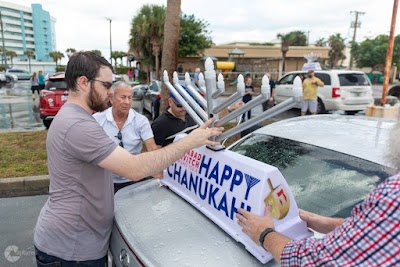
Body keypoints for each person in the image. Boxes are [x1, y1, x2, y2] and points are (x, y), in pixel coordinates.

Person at [33, 51, 223, 267]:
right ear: (84, 82)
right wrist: (191, 141)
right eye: (106, 85)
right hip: (70, 250)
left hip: (75, 244)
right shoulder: (78, 125)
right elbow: (133, 168)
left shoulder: (75, 118)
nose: (110, 92)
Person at [236, 122, 400, 266]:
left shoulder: (393, 192)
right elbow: (377, 231)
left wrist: (264, 234)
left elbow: (316, 261)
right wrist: (326, 223)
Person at [93, 81, 159, 193]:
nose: (127, 102)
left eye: (130, 97)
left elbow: (152, 149)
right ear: (111, 98)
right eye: (123, 97)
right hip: (105, 181)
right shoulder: (97, 120)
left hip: (134, 180)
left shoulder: (141, 121)